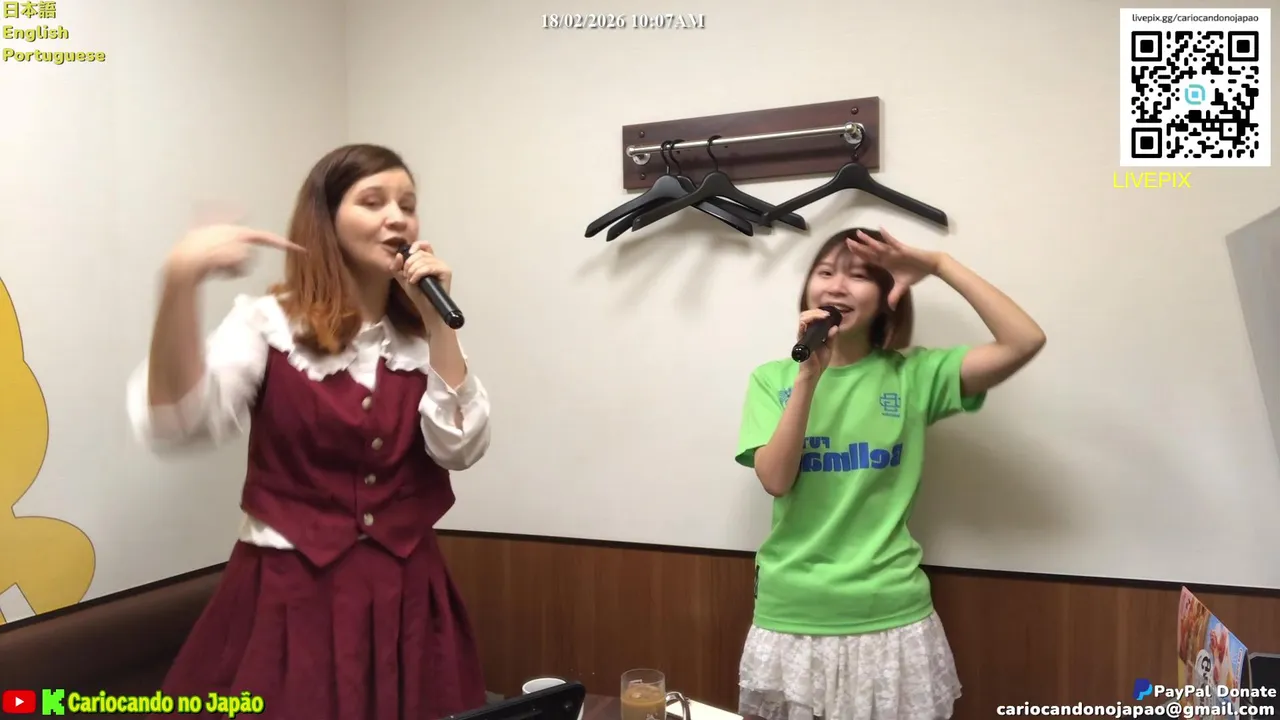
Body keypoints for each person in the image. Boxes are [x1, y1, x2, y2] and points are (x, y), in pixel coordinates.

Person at [125, 144, 491, 719]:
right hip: (291, 591)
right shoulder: (268, 325)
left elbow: (460, 447)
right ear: (326, 219)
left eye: (407, 204)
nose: (396, 218)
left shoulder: (419, 340)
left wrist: (437, 323)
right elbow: (180, 422)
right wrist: (180, 282)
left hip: (408, 594)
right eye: (372, 201)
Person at [734, 227, 1046, 720]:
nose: (837, 286)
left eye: (858, 276)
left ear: (887, 298)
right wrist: (808, 376)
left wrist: (939, 265)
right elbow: (776, 479)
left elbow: (1024, 340)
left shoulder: (912, 376)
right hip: (792, 612)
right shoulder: (773, 379)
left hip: (890, 616)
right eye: (825, 272)